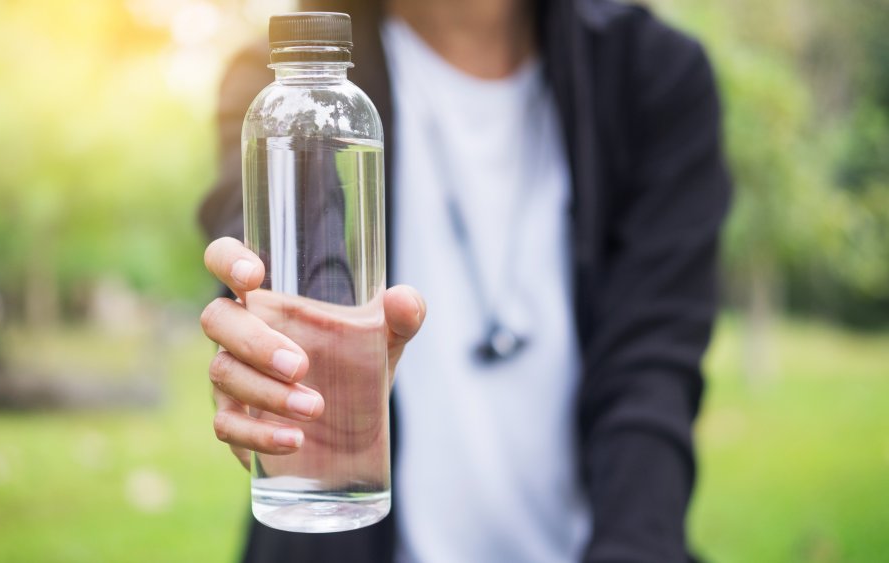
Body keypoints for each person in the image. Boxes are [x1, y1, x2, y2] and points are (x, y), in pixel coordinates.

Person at [198, 0, 731, 561]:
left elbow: (651, 370)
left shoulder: (653, 74)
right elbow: (271, 270)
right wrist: (264, 360)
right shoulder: (284, 87)